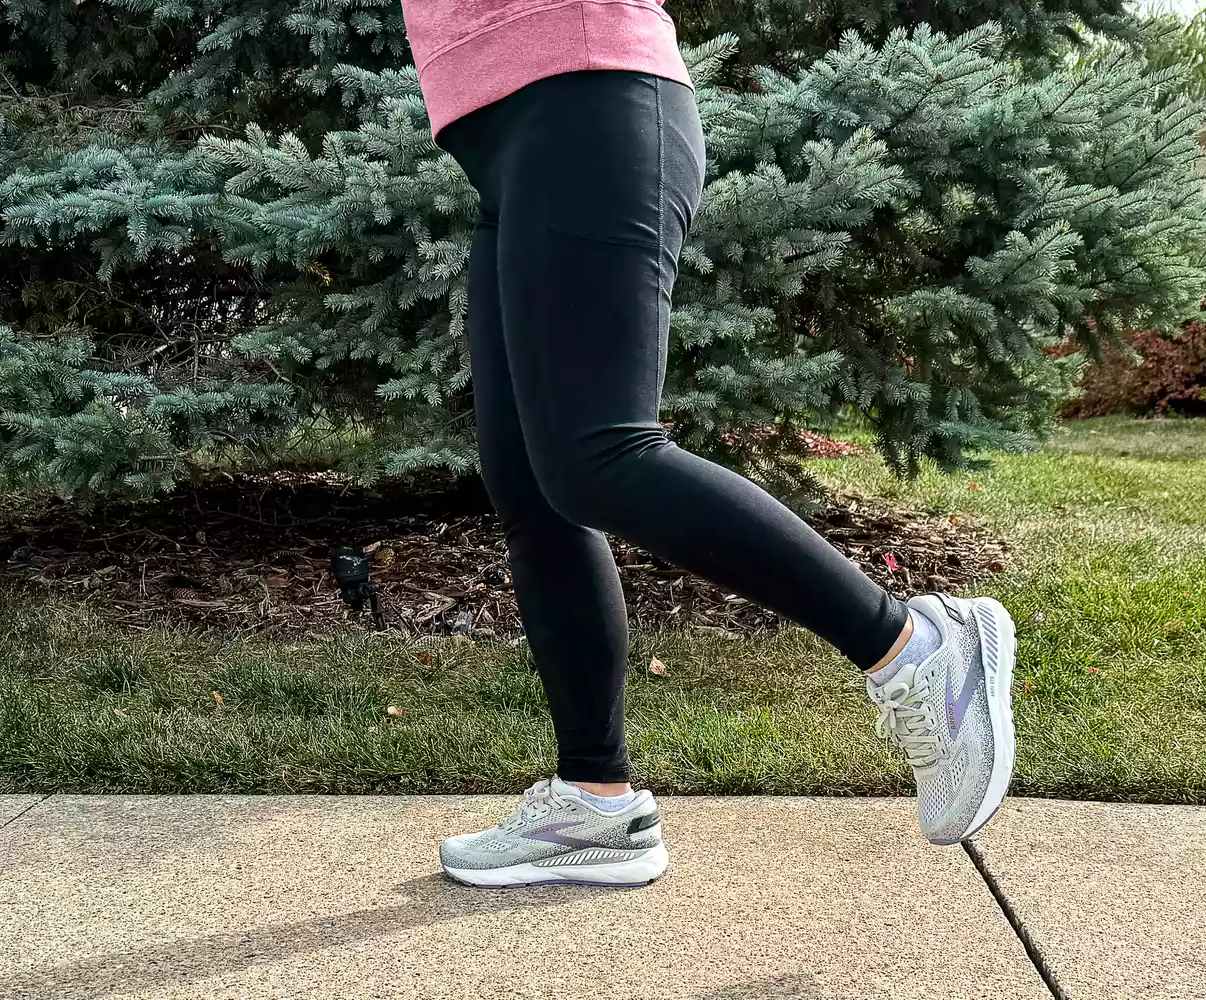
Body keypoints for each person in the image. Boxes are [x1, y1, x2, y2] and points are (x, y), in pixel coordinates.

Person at [402, 0, 1017, 888]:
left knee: (596, 453)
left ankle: (918, 649)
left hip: (587, 92)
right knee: (532, 484)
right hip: (509, 140)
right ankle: (595, 803)